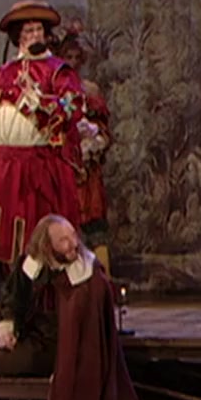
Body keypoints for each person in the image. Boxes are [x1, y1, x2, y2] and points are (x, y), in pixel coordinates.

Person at [0, 214, 145, 400]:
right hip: (30, 336)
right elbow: (13, 300)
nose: (72, 244)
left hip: (56, 348)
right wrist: (8, 327)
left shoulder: (88, 275)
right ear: (47, 247)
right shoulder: (31, 266)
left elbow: (88, 331)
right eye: (63, 241)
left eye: (73, 237)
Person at [0, 0, 91, 267]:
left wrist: (39, 102)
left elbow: (73, 107)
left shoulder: (57, 70)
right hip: (3, 168)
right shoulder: (5, 74)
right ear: (18, 37)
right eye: (28, 31)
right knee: (8, 242)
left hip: (37, 168)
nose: (35, 35)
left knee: (40, 240)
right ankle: (14, 285)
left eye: (39, 30)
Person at [52, 23, 114, 274]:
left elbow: (104, 130)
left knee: (95, 225)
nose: (74, 62)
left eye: (77, 58)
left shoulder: (90, 90)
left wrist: (95, 140)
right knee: (64, 223)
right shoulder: (53, 89)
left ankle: (102, 280)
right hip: (64, 166)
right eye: (68, 57)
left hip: (88, 171)